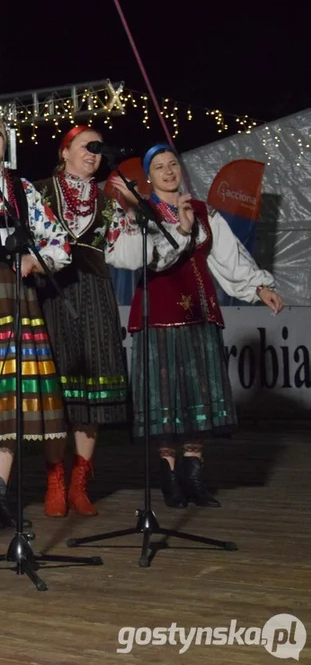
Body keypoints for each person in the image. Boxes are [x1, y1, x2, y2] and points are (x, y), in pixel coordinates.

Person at [110, 145, 283, 508]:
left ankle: (194, 474)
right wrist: (179, 228)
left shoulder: (204, 211)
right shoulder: (143, 213)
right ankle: (169, 477)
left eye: (173, 164)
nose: (169, 171)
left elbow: (228, 258)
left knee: (197, 396)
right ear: (149, 175)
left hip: (200, 313)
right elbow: (149, 261)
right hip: (160, 315)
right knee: (166, 397)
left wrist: (259, 286)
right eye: (159, 167)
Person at [0, 112, 71, 529]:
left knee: (10, 396)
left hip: (16, 296)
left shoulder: (23, 189)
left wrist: (34, 261)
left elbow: (58, 242)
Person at [34, 126, 134, 517]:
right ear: (65, 151)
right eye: (86, 147)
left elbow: (125, 254)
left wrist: (129, 210)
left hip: (94, 292)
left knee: (92, 389)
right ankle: (55, 478)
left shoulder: (108, 200)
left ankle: (79, 481)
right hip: (52, 291)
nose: (93, 154)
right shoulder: (39, 191)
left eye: (98, 149)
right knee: (57, 390)